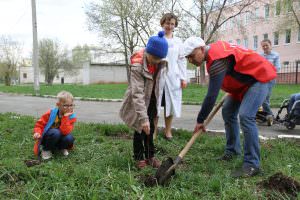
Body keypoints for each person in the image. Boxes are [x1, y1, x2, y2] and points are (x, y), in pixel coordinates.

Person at [183, 37, 277, 178]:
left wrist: (200, 120)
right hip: (245, 82)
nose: (190, 60)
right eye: (187, 57)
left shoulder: (217, 59)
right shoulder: (214, 52)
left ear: (202, 49)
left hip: (259, 77)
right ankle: (232, 150)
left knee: (246, 116)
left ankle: (252, 164)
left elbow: (211, 96)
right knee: (228, 111)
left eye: (191, 55)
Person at [119, 31, 168, 169]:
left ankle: (150, 156)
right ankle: (139, 157)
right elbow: (137, 93)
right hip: (139, 100)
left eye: (160, 59)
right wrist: (143, 118)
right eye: (155, 58)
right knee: (140, 128)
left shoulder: (160, 61)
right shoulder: (137, 66)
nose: (157, 62)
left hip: (152, 98)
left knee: (151, 128)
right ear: (148, 52)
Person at [155, 13, 187, 140]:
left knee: (170, 105)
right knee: (155, 105)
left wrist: (183, 78)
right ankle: (154, 132)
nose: (169, 26)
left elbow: (182, 60)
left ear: (175, 26)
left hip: (173, 77)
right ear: (162, 23)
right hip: (158, 77)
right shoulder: (156, 38)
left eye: (172, 24)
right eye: (167, 23)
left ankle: (168, 131)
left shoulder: (178, 42)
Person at [33, 91, 76, 160]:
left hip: (60, 136)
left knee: (69, 138)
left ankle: (60, 148)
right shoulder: (51, 113)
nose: (69, 108)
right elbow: (40, 124)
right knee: (56, 132)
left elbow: (65, 132)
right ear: (58, 105)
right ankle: (46, 149)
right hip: (48, 137)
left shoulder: (71, 117)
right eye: (65, 105)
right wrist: (37, 132)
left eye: (71, 105)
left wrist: (65, 118)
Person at [260, 39, 281, 123]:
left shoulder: (275, 55)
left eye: (266, 45)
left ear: (270, 45)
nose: (265, 47)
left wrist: (267, 69)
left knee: (265, 99)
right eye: (263, 46)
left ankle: (270, 116)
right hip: (261, 79)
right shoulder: (260, 55)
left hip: (270, 80)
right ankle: (266, 115)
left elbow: (277, 68)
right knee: (261, 98)